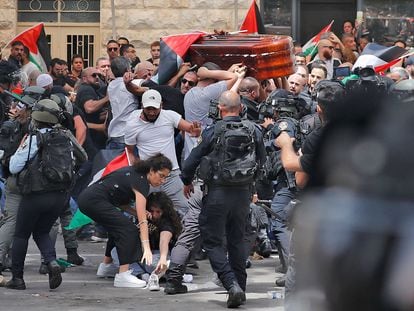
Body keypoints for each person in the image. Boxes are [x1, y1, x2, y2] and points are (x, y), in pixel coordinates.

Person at [180, 90, 266, 308]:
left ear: (220, 108)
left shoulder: (213, 130)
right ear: (241, 107)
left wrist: (186, 180)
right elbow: (263, 161)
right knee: (237, 240)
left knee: (213, 241)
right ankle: (240, 287)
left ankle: (231, 285)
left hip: (217, 193)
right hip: (243, 194)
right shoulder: (253, 130)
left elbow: (193, 159)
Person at [5, 98, 85, 290]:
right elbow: (82, 157)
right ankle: (51, 262)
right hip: (60, 195)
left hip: (35, 194)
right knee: (41, 231)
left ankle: (17, 278)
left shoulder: (34, 138)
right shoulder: (66, 136)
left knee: (21, 235)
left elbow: (14, 166)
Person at [77, 153, 173, 288]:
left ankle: (107, 266)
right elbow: (142, 221)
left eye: (166, 177)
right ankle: (123, 275)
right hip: (94, 201)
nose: (162, 181)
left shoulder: (135, 173)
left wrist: (135, 212)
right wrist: (146, 248)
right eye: (161, 176)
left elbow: (122, 205)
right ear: (151, 170)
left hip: (89, 199)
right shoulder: (141, 182)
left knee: (117, 227)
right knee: (128, 229)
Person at [124, 89, 201, 218]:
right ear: (142, 106)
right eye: (148, 109)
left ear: (161, 106)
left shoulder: (170, 116)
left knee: (186, 208)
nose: (152, 112)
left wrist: (196, 132)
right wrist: (135, 172)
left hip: (171, 174)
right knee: (142, 211)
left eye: (155, 109)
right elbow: (129, 151)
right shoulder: (132, 124)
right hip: (148, 175)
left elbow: (190, 128)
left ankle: (184, 237)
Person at [106, 56, 138, 149]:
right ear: (128, 69)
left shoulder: (111, 85)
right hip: (127, 135)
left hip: (114, 133)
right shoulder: (133, 84)